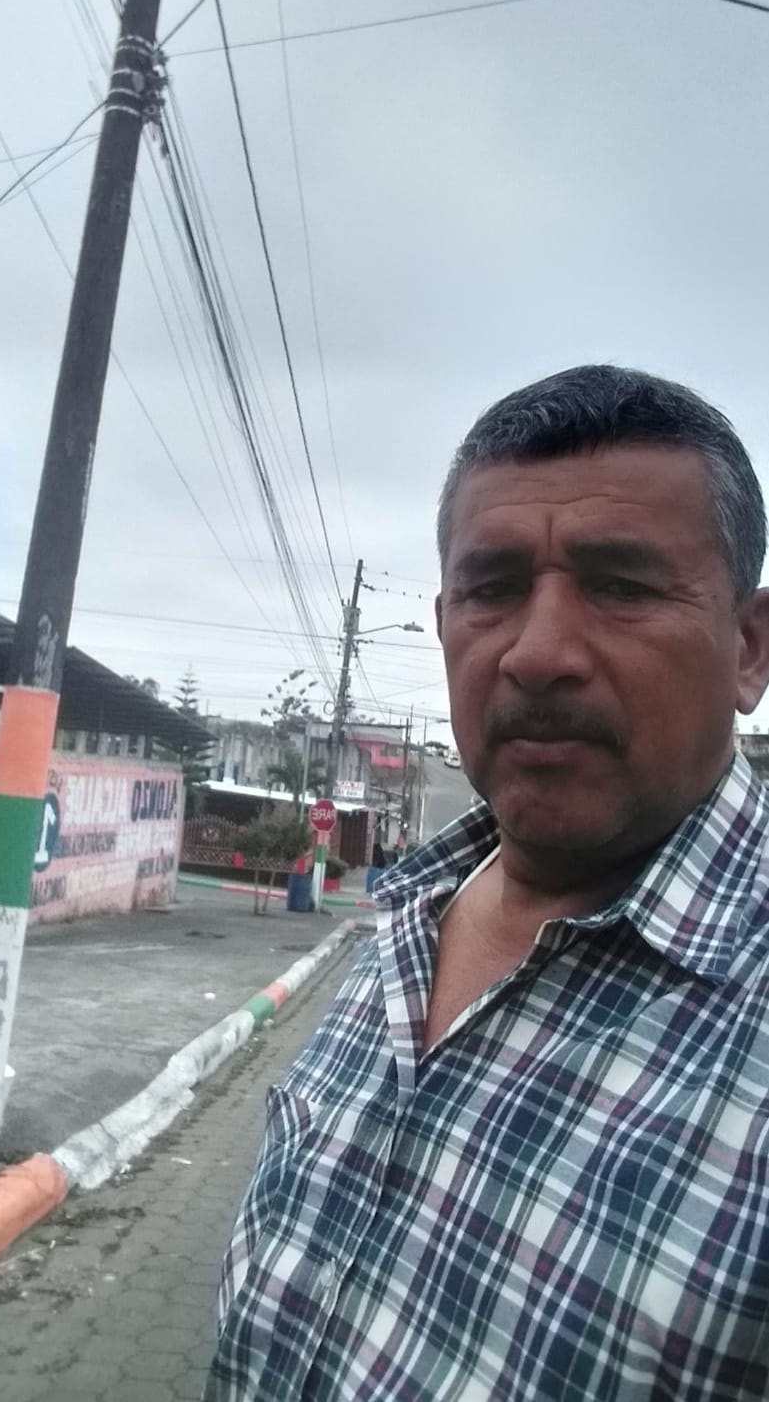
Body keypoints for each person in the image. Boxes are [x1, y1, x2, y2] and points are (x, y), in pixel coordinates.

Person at [205, 365, 769, 1402]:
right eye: (493, 589)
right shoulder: (406, 918)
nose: (537, 653)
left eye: (622, 585)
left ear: (749, 647)